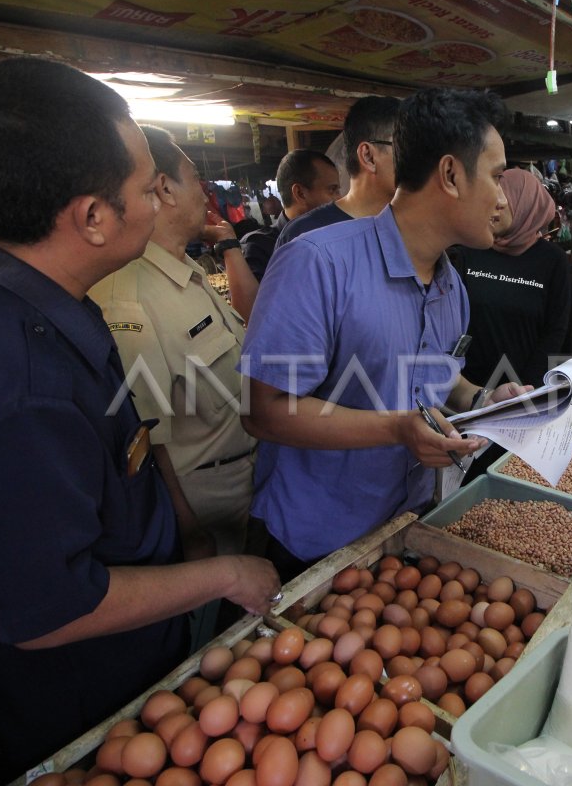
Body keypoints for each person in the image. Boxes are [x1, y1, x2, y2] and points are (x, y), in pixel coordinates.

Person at [0, 57, 280, 785]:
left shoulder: (6, 294)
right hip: (73, 712)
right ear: (94, 217)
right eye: (145, 188)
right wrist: (222, 573)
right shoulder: (13, 380)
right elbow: (49, 610)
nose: (157, 198)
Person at [239, 87, 530, 582]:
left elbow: (439, 379)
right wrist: (395, 428)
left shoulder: (450, 286)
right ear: (451, 175)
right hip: (312, 546)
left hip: (401, 534)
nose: (504, 199)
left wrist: (484, 398)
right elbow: (263, 411)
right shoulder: (319, 262)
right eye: (498, 177)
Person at [89, 125, 256, 564]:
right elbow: (146, 442)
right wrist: (187, 529)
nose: (206, 194)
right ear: (164, 188)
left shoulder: (189, 272)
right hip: (204, 505)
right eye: (196, 179)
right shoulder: (128, 297)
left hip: (247, 481)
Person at [453, 167, 571, 388]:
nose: (493, 208)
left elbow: (555, 330)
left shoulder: (552, 261)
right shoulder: (470, 249)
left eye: (501, 201)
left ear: (523, 204)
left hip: (521, 389)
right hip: (465, 387)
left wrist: (527, 387)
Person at [222, 149, 339, 318]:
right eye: (332, 190)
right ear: (299, 193)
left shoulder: (336, 238)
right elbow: (254, 314)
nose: (339, 198)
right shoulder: (260, 245)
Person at [275, 95, 401, 247]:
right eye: (405, 148)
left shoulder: (408, 226)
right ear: (368, 156)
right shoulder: (305, 236)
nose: (419, 159)